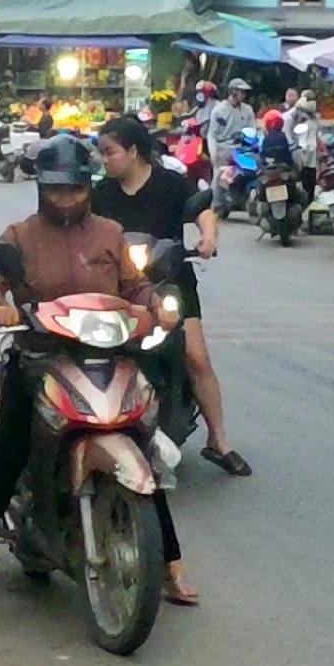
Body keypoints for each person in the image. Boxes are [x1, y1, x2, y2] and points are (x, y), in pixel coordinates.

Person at [0, 136, 181, 611]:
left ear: (87, 186)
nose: (67, 198)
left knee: (143, 445)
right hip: (41, 357)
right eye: (58, 190)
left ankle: (170, 563)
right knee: (8, 451)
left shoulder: (110, 234)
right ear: (41, 188)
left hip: (110, 355)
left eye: (75, 188)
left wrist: (157, 307)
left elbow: (136, 287)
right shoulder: (20, 236)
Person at [94, 116, 246, 489]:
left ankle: (218, 439)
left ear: (133, 151)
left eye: (110, 152)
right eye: (101, 154)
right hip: (122, 289)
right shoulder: (100, 193)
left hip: (171, 283)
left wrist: (208, 236)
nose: (105, 160)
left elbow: (201, 210)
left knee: (196, 357)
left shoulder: (169, 184)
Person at [205, 79, 253, 170]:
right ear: (233, 92)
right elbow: (212, 135)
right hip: (223, 149)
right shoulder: (219, 110)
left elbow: (251, 131)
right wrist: (213, 154)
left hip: (240, 150)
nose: (244, 95)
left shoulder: (248, 110)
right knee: (219, 180)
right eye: (241, 92)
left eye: (244, 92)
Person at [288, 89, 321, 196]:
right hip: (306, 154)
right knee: (307, 181)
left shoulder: (311, 120)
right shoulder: (309, 119)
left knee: (307, 181)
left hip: (307, 154)